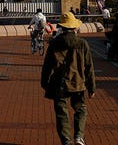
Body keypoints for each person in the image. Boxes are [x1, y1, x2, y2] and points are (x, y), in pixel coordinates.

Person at [41, 12, 96, 145]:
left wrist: (44, 82)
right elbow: (89, 67)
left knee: (62, 114)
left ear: (62, 27)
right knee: (81, 109)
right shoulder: (82, 43)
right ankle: (79, 137)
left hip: (59, 84)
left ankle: (66, 141)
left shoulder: (54, 44)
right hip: (78, 83)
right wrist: (91, 87)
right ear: (74, 27)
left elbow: (47, 66)